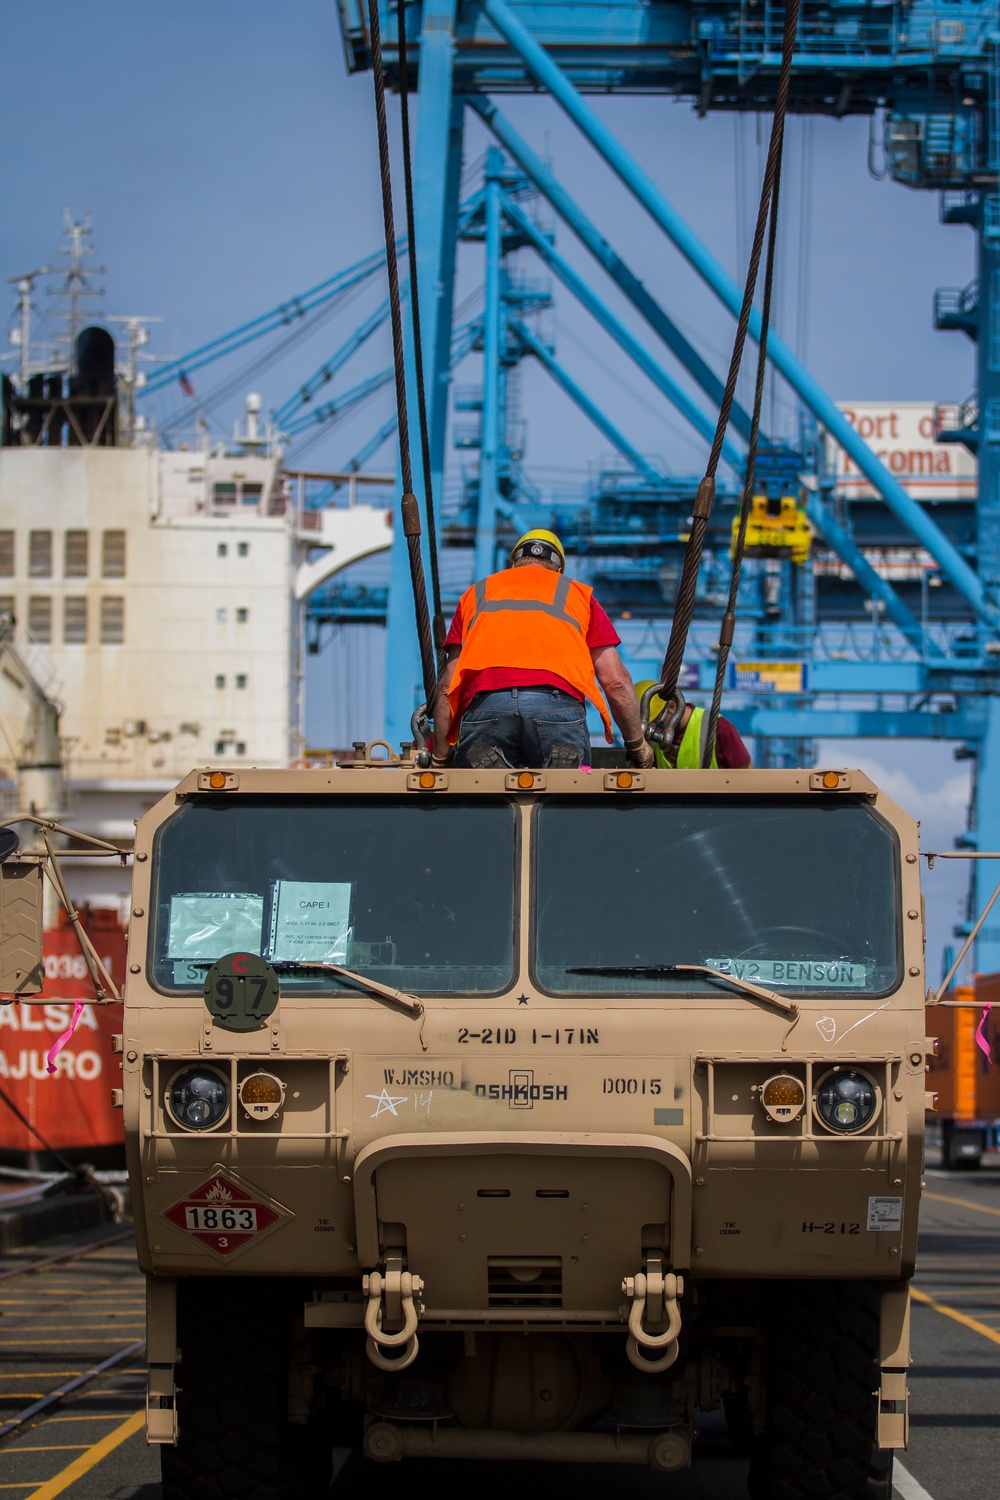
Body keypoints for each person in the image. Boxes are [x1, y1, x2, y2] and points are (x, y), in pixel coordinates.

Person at [432, 529, 655, 770]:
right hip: (557, 707)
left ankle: (490, 769)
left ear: (513, 563)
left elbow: (447, 687)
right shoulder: (578, 594)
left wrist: (440, 758)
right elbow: (615, 682)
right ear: (559, 569)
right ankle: (560, 771)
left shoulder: (474, 595)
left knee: (487, 802)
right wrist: (636, 745)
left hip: (486, 705)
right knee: (564, 801)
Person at [634, 680, 752, 769]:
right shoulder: (652, 740)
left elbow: (747, 775)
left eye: (657, 723)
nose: (655, 732)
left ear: (672, 706)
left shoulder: (719, 728)